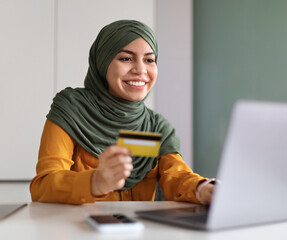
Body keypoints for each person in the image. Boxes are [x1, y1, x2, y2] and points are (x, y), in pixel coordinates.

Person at [30, 19, 215, 205]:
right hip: (78, 230)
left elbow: (177, 177)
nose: (140, 70)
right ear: (103, 61)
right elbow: (44, 185)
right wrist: (95, 182)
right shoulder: (72, 109)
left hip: (139, 231)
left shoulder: (154, 128)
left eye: (149, 60)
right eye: (126, 58)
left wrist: (202, 189)